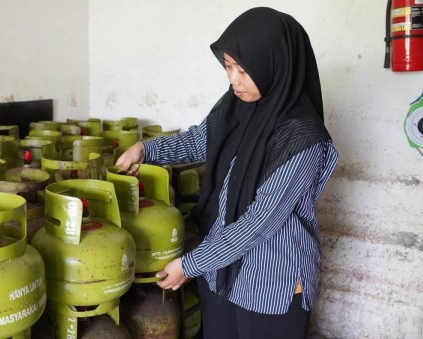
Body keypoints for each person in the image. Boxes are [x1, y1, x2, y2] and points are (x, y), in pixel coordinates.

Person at [115, 7, 339, 339]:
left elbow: (256, 224)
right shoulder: (236, 107)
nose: (233, 79)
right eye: (228, 66)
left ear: (275, 66)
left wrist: (188, 266)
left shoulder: (300, 139)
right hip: (220, 269)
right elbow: (198, 140)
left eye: (244, 70)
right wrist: (146, 150)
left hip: (270, 282)